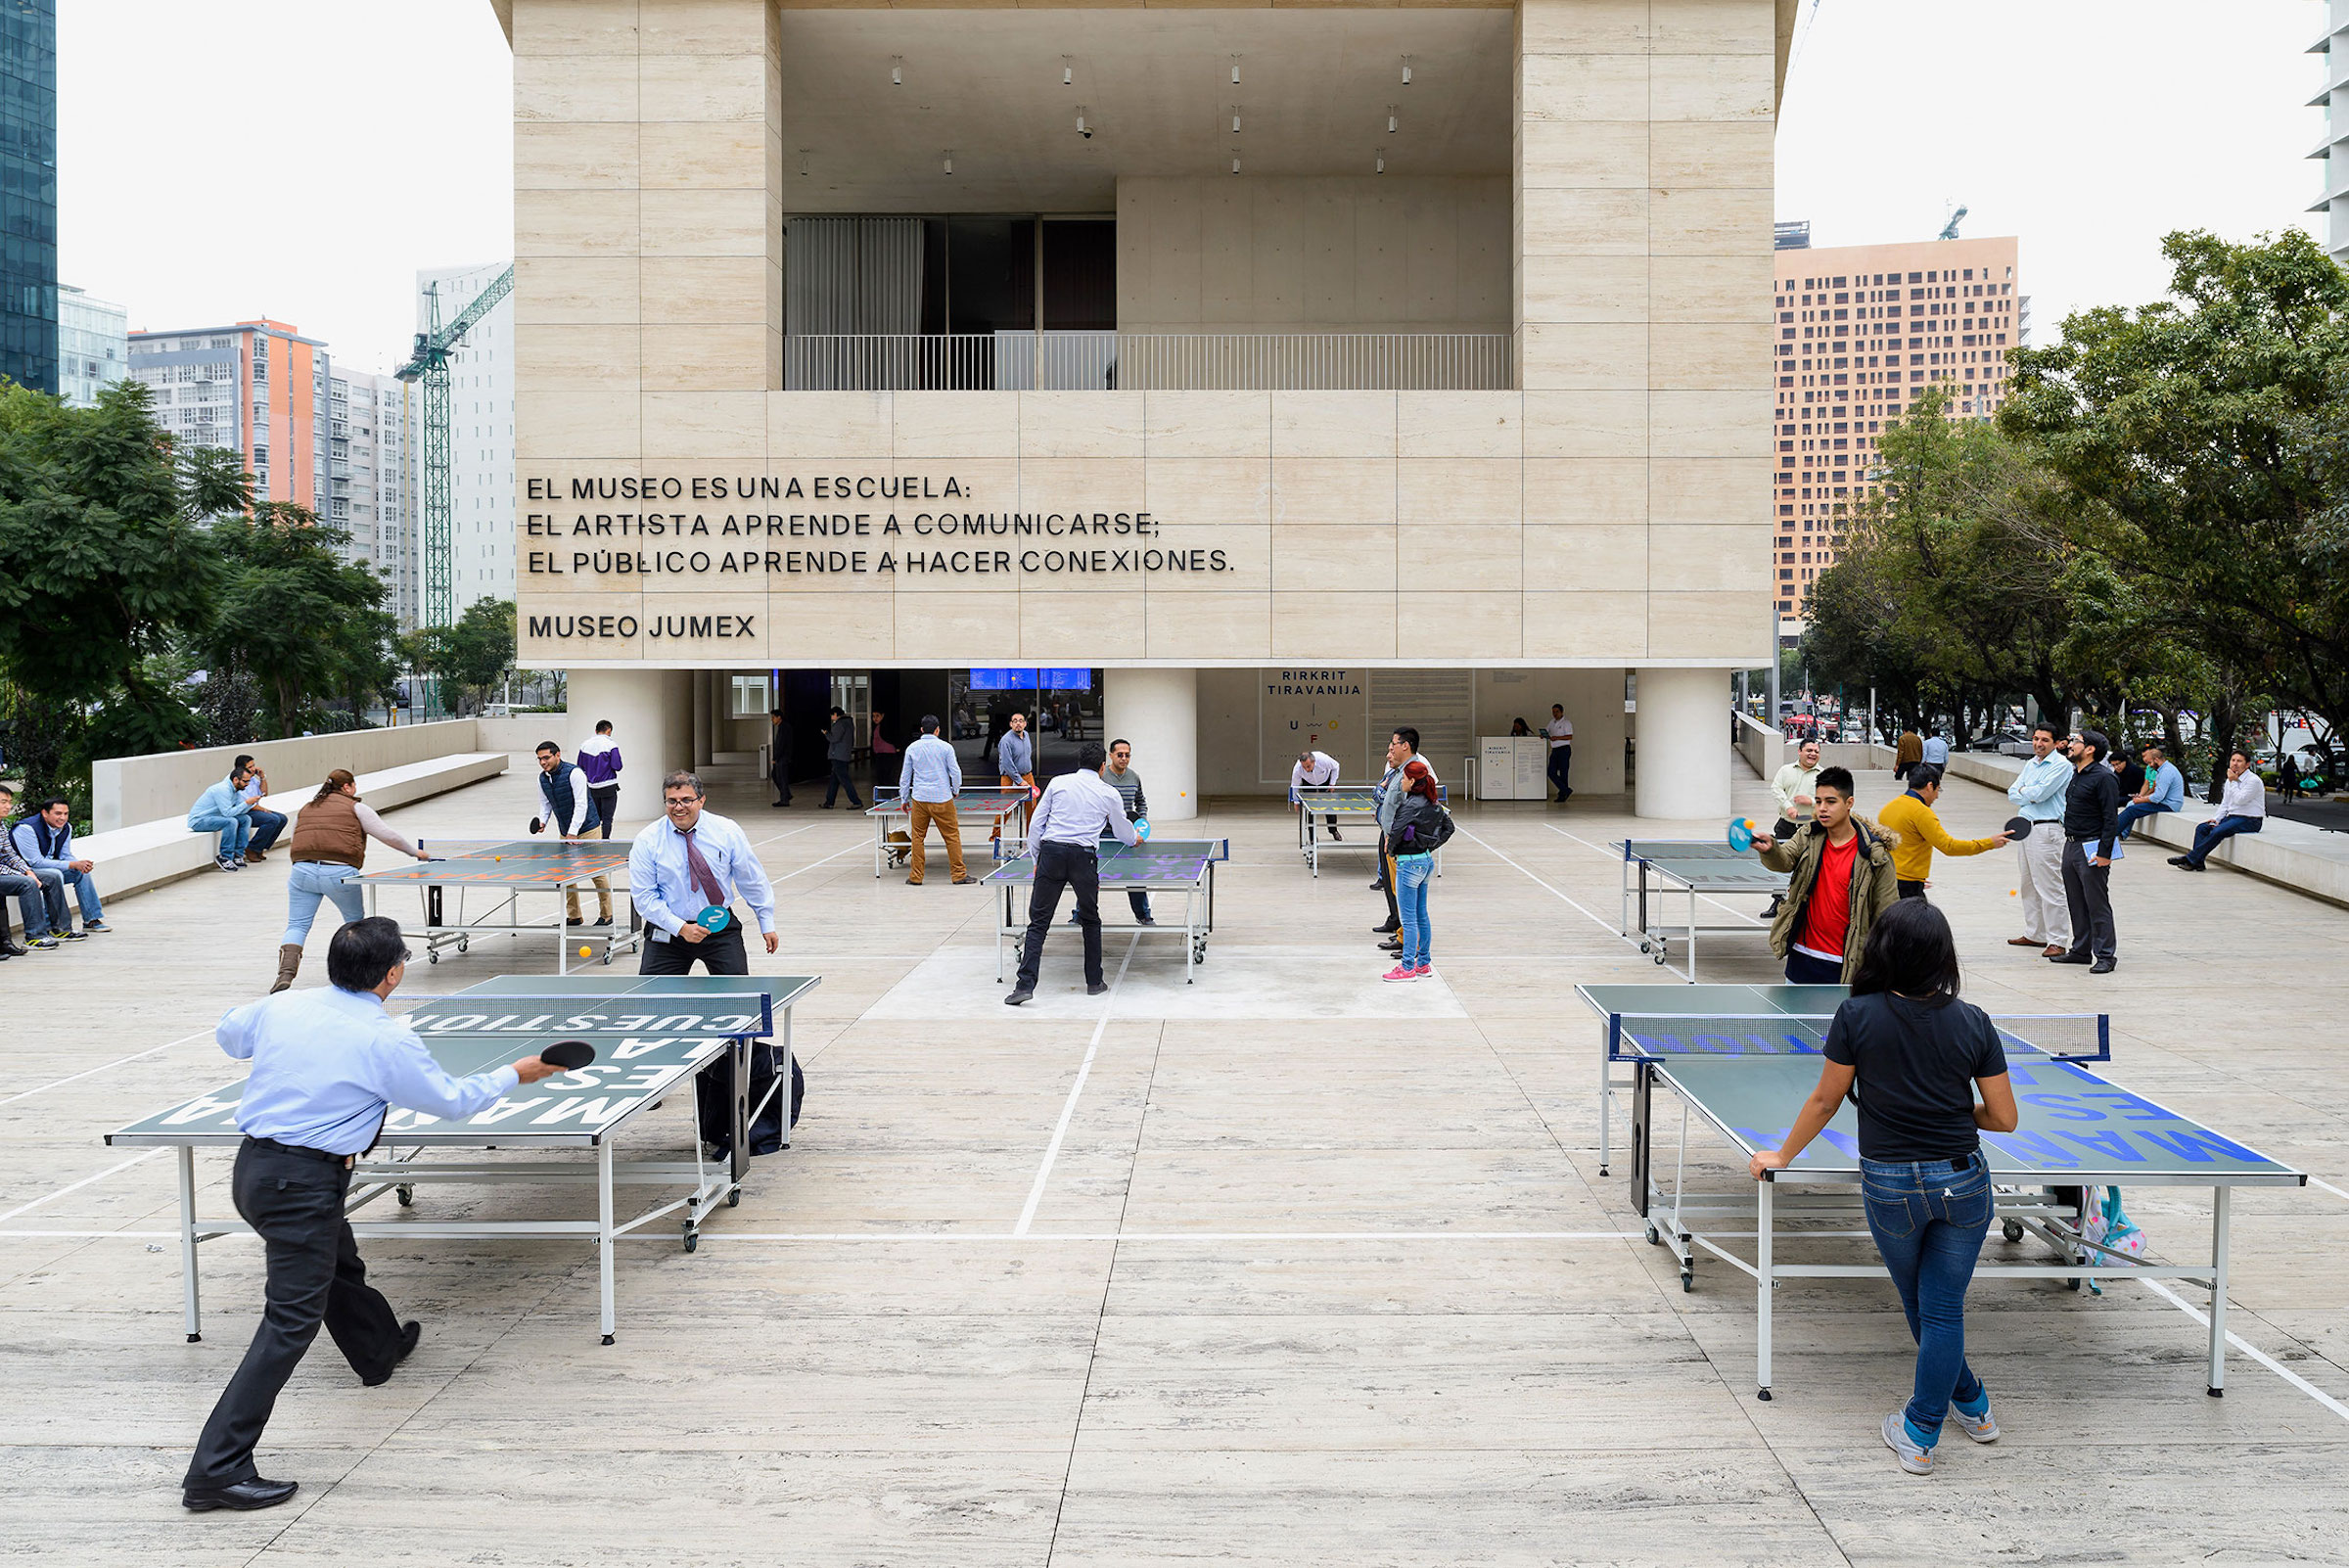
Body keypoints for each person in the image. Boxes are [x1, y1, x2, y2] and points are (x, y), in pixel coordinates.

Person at [179, 917, 564, 1513]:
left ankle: (378, 1348)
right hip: (300, 1184)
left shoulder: (284, 1007)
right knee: (289, 1323)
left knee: (337, 1263)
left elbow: (230, 1034)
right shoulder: (385, 1039)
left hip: (256, 1172)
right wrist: (521, 1071)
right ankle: (216, 1470)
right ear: (392, 974)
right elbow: (451, 1101)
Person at [1747, 899, 2019, 1476]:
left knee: (1925, 1307)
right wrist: (1949, 1107)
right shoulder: (1973, 1020)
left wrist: (1782, 1155)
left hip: (1891, 1186)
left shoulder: (1857, 1015)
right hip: (1963, 1181)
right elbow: (2002, 1119)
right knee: (1939, 1309)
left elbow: (1825, 1100)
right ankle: (1973, 1405)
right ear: (1943, 955)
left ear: (1883, 951)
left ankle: (1921, 1430)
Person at [273, 769, 437, 993]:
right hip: (339, 872)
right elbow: (386, 834)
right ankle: (354, 974)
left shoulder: (306, 808)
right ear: (347, 787)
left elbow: (296, 838)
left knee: (297, 925)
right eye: (354, 786)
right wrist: (414, 852)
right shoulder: (356, 807)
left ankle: (285, 975)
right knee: (354, 924)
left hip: (302, 870)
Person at [1004, 741, 1140, 1006]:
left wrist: (1036, 858)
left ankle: (1024, 986)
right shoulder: (1108, 792)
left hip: (1051, 853)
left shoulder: (1058, 783)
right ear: (1103, 766)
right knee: (1090, 919)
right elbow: (1124, 832)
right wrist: (1135, 838)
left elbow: (1036, 824)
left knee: (1038, 923)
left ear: (1079, 763)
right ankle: (1094, 982)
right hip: (1083, 858)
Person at [1752, 766, 1900, 984]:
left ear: (1849, 803)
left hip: (1845, 964)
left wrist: (1883, 967)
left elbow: (1887, 915)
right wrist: (1771, 849)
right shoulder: (1808, 835)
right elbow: (1785, 860)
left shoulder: (1876, 856)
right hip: (1800, 958)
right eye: (1818, 801)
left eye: (1831, 802)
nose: (1822, 808)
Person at [628, 769, 779, 976]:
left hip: (719, 926)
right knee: (652, 1002)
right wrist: (681, 928)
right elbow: (644, 897)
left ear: (702, 800)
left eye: (686, 800)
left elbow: (751, 879)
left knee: (737, 1000)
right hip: (668, 931)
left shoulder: (727, 831)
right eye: (672, 801)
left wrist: (766, 921)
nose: (678, 807)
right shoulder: (647, 840)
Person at [1875, 764, 2007, 900]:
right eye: (1938, 790)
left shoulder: (1888, 808)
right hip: (1908, 887)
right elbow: (1949, 847)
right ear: (1929, 786)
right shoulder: (1921, 812)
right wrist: (1989, 843)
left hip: (1887, 879)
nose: (1937, 796)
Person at [2051, 728, 2120, 973]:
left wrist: (2105, 853)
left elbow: (2111, 819)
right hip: (2071, 844)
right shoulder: (2077, 774)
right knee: (2076, 901)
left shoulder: (2104, 777)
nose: (2070, 744)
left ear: (2090, 749)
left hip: (2092, 846)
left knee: (2096, 902)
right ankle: (2081, 950)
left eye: (2076, 742)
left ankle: (2105, 955)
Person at [2004, 723, 2074, 956]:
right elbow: (2012, 792)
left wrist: (2027, 792)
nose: (2038, 744)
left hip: (2047, 829)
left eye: (2044, 740)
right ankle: (2035, 933)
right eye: (2035, 739)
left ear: (2056, 743)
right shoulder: (2030, 764)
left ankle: (2057, 939)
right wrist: (2027, 793)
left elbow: (2040, 794)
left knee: (2050, 886)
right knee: (2028, 884)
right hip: (2025, 828)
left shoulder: (2061, 766)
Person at [529, 742, 611, 927]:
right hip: (566, 831)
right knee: (567, 875)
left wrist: (573, 833)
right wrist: (543, 821)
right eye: (540, 759)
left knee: (596, 872)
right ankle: (574, 916)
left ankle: (607, 915)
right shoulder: (542, 779)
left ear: (557, 755)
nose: (543, 762)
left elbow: (582, 804)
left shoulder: (575, 773)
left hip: (588, 829)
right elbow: (546, 804)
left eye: (546, 758)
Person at [1384, 760, 1447, 981]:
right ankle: (1424, 963)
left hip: (1409, 864)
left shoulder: (1409, 805)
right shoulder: (1433, 803)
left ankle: (1407, 967)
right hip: (1426, 862)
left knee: (1408, 919)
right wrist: (1427, 844)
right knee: (1421, 915)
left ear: (1411, 780)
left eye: (1403, 778)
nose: (1401, 781)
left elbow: (1396, 830)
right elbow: (1448, 828)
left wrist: (1391, 851)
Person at [1372, 729, 1433, 953]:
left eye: (1394, 745)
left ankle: (1412, 946)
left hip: (1402, 846)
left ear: (1405, 745)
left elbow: (1412, 810)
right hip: (1394, 840)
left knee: (1408, 899)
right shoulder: (1399, 771)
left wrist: (1396, 838)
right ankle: (1403, 935)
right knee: (1400, 894)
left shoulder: (1413, 771)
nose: (1391, 749)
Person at [13, 796, 107, 936]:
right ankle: (51, 924)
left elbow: (65, 855)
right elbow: (35, 862)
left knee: (80, 873)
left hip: (47, 868)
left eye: (65, 814)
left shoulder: (66, 828)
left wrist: (80, 864)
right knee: (53, 875)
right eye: (58, 814)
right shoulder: (26, 829)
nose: (62, 818)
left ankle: (91, 920)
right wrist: (72, 864)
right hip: (24, 871)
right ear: (45, 813)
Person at [898, 715, 970, 886]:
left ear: (922, 730)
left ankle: (916, 876)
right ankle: (958, 874)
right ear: (937, 730)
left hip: (919, 798)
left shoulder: (912, 748)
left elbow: (905, 776)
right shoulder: (946, 747)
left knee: (917, 837)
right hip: (942, 797)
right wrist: (955, 789)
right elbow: (955, 772)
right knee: (951, 836)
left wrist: (903, 798)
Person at [2172, 749, 2265, 871]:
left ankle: (2190, 858)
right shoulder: (2230, 780)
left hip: (2250, 820)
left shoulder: (2253, 780)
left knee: (2218, 831)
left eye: (2239, 761)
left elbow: (2240, 800)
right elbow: (2225, 803)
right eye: (2233, 760)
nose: (2235, 764)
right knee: (2202, 828)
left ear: (2247, 765)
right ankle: (2198, 863)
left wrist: (2233, 782)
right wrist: (2216, 818)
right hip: (2232, 818)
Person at [0, 785, 46, 954]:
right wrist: (20, 875)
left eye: (9, 802)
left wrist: (27, 871)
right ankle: (35, 936)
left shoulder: (1, 826)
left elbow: (9, 855)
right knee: (26, 884)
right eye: (3, 802)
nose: (8, 806)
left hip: (3, 873)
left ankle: (5, 942)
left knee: (50, 877)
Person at [187, 764, 256, 873]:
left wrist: (249, 804)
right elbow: (228, 813)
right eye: (245, 781)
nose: (247, 785)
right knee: (231, 822)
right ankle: (225, 857)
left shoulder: (236, 790)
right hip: (199, 820)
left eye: (249, 782)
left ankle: (238, 854)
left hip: (215, 818)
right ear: (235, 779)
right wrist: (246, 803)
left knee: (246, 819)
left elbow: (239, 810)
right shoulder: (222, 790)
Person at [2116, 743, 2184, 842]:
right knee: (2131, 808)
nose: (2150, 766)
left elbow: (2157, 797)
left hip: (2168, 804)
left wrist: (2141, 799)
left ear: (2156, 760)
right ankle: (2117, 832)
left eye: (2150, 763)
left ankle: (2111, 834)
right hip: (2166, 802)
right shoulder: (2164, 769)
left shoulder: (2166, 772)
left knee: (2131, 810)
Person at [576, 720, 623, 837]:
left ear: (596, 731)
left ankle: (595, 840)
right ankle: (605, 841)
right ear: (609, 731)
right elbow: (617, 766)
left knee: (595, 817)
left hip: (592, 787)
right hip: (608, 787)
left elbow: (579, 767)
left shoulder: (585, 745)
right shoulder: (611, 745)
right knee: (607, 819)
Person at [236, 757, 286, 862]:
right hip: (243, 811)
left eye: (254, 765)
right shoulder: (239, 780)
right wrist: (264, 810)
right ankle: (252, 848)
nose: (254, 768)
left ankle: (260, 847)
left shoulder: (252, 779)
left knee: (282, 818)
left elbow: (264, 793)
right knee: (272, 819)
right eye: (250, 767)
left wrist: (262, 778)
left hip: (254, 809)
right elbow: (248, 804)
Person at [1289, 745, 1342, 844]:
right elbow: (1295, 785)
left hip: (1325, 781)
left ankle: (1333, 830)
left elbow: (1336, 766)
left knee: (1329, 807)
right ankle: (1312, 836)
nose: (1306, 769)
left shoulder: (1323, 759)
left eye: (1308, 766)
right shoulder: (1298, 769)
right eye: (1304, 767)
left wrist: (1332, 784)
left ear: (1314, 762)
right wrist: (1296, 802)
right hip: (1308, 784)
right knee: (1310, 810)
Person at [819, 706, 862, 808]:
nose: (831, 718)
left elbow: (834, 738)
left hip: (838, 755)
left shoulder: (839, 724)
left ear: (835, 714)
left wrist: (826, 733)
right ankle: (829, 802)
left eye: (832, 715)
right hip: (844, 754)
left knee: (844, 780)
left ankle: (856, 801)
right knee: (834, 780)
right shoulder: (848, 723)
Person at [996, 711, 1036, 795]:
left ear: (1025, 724)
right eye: (1015, 721)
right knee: (1010, 806)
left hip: (1028, 777)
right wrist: (1019, 781)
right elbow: (1007, 764)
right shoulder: (1006, 741)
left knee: (1032, 806)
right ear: (1011, 724)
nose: (1018, 723)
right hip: (1010, 779)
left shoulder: (1026, 735)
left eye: (1021, 721)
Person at [1544, 704, 1575, 801]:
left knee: (1563, 772)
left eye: (1557, 711)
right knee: (1551, 772)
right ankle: (1566, 790)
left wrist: (1557, 738)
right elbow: (1547, 730)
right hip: (1555, 750)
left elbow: (1569, 736)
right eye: (1553, 712)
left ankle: (1562, 795)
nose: (1555, 714)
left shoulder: (1566, 723)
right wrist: (1544, 735)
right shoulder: (1552, 722)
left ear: (1562, 712)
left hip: (1564, 749)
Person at [768, 708, 794, 807]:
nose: (772, 720)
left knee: (781, 778)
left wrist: (775, 757)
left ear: (779, 717)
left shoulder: (784, 728)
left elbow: (781, 744)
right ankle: (786, 795)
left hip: (782, 758)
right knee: (777, 776)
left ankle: (785, 799)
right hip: (783, 757)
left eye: (774, 717)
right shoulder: (783, 727)